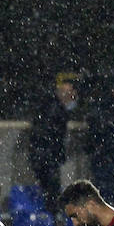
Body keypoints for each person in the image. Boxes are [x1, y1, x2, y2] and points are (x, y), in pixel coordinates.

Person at [83, 73, 114, 210]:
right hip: (107, 159)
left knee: (110, 197)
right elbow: (100, 132)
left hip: (112, 159)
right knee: (107, 197)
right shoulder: (106, 108)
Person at [26, 80, 77, 214]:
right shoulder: (55, 110)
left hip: (44, 156)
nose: (71, 97)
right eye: (68, 93)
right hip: (46, 157)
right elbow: (51, 135)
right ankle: (51, 217)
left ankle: (51, 215)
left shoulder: (49, 107)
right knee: (51, 190)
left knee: (49, 189)